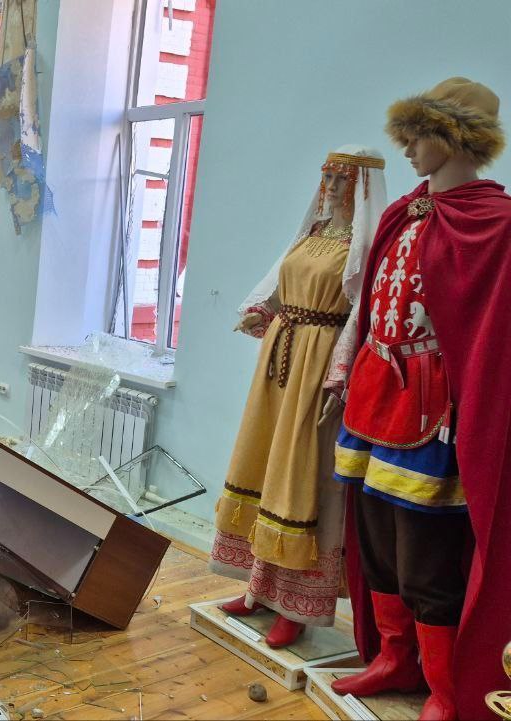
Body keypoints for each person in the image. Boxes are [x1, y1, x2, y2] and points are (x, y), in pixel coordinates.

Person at [333, 77, 510, 721]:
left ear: (454, 138)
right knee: (377, 545)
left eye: (417, 137)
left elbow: (492, 334)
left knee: (425, 561)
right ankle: (394, 659)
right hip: (374, 397)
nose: (407, 150)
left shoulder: (496, 223)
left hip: (437, 417)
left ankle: (444, 688)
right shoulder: (403, 213)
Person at [210, 145, 386, 648]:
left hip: (318, 368)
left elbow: (362, 315)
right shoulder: (313, 232)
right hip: (280, 362)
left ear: (362, 187)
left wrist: (340, 374)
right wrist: (263, 312)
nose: (330, 187)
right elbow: (281, 285)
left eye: (342, 180)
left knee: (302, 479)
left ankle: (295, 605)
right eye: (327, 177)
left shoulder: (364, 246)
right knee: (264, 466)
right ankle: (258, 589)